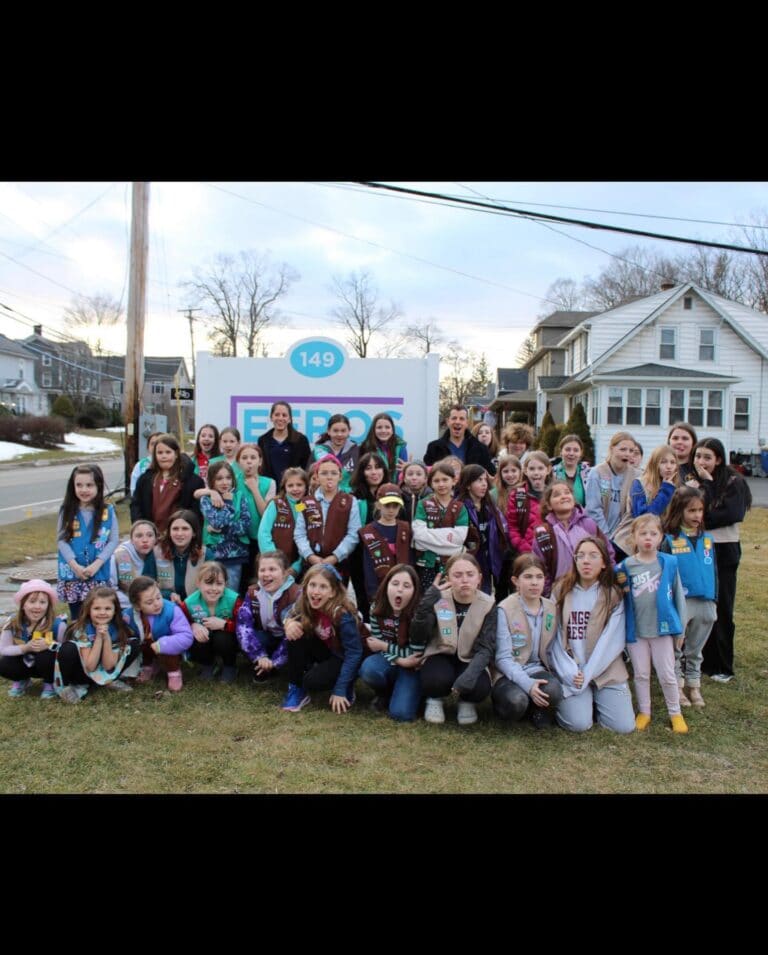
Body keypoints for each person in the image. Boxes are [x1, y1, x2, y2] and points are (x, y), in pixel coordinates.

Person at [549, 537, 635, 734]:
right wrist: (569, 671)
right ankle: (585, 703)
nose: (586, 561)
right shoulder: (561, 590)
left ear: (604, 563)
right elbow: (553, 637)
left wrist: (588, 674)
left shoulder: (613, 594)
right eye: (580, 556)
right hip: (572, 670)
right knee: (578, 724)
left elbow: (612, 642)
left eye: (593, 556)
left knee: (623, 727)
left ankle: (595, 699)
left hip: (605, 669)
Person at [615, 514, 688, 734]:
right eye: (643, 533)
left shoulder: (669, 563)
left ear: (661, 537)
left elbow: (678, 596)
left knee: (667, 674)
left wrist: (681, 628)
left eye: (653, 534)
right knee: (641, 673)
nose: (648, 538)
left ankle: (675, 713)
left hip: (661, 630)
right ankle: (644, 712)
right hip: (637, 631)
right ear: (633, 537)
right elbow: (620, 599)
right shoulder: (625, 567)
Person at [690, 437, 752, 683]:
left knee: (723, 607)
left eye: (707, 457)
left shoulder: (733, 481)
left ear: (718, 459)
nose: (702, 461)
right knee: (702, 604)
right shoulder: (693, 481)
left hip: (724, 549)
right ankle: (703, 660)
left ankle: (723, 665)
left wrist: (705, 489)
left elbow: (730, 513)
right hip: (700, 547)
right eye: (698, 456)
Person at [410, 554, 496, 726]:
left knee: (479, 685)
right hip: (440, 653)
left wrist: (470, 676)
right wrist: (425, 605)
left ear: (479, 578)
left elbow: (487, 646)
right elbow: (418, 635)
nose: (464, 580)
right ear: (448, 578)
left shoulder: (488, 604)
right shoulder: (438, 598)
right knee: (435, 679)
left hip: (470, 656)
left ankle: (466, 702)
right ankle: (434, 699)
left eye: (470, 574)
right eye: (457, 575)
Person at [280, 563, 365, 713]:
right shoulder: (305, 602)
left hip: (343, 657)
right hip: (325, 651)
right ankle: (296, 688)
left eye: (323, 587)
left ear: (333, 592)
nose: (316, 591)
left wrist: (340, 689)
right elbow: (286, 612)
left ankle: (347, 683)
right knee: (295, 631)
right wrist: (288, 623)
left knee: (312, 682)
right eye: (312, 585)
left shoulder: (343, 615)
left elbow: (354, 653)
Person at [491, 555, 564, 729]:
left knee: (553, 690)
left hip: (537, 669)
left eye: (539, 577)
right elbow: (502, 659)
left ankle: (537, 709)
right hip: (509, 673)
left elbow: (555, 648)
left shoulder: (551, 608)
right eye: (528, 577)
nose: (534, 583)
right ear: (515, 581)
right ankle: (508, 705)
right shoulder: (505, 609)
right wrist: (528, 684)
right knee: (516, 701)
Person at [662, 487, 717, 709]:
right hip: (682, 602)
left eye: (700, 510)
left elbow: (714, 570)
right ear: (679, 511)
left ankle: (694, 684)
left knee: (696, 647)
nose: (697, 515)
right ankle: (677, 685)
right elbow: (665, 576)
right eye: (691, 510)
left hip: (706, 601)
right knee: (676, 646)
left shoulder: (707, 539)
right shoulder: (670, 541)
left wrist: (715, 599)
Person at [359, 564, 424, 722]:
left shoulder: (420, 615)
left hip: (414, 668)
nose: (399, 590)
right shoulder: (376, 608)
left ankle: (417, 694)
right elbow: (375, 643)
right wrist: (400, 659)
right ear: (386, 585)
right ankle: (384, 693)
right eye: (395, 584)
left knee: (401, 714)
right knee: (369, 669)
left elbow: (416, 654)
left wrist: (384, 646)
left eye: (406, 586)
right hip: (392, 660)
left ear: (414, 591)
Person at [54, 587, 140, 703]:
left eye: (107, 608)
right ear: (89, 609)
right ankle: (73, 686)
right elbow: (90, 666)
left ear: (115, 610)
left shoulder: (119, 628)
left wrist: (106, 637)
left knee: (134, 643)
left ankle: (109, 680)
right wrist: (99, 638)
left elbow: (108, 666)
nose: (102, 612)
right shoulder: (81, 629)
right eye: (97, 608)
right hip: (83, 673)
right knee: (68, 648)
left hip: (106, 670)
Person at [57, 464, 119, 619]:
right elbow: (62, 540)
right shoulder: (67, 510)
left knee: (99, 615)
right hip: (73, 575)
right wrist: (75, 566)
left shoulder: (108, 511)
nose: (84, 490)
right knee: (78, 617)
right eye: (79, 485)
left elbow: (113, 540)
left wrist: (97, 564)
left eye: (89, 485)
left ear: (98, 486)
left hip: (98, 574)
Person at [531, 480, 613, 596]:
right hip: (560, 592)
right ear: (549, 505)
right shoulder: (544, 532)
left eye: (567, 492)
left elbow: (607, 553)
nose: (564, 496)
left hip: (592, 588)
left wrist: (606, 580)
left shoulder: (588, 524)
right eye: (557, 495)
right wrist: (548, 594)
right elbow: (539, 566)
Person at [293, 454, 361, 583]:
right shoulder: (303, 502)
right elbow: (299, 533)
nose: (329, 477)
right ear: (317, 477)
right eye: (324, 473)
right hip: (311, 564)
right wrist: (310, 556)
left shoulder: (351, 501)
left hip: (339, 564)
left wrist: (335, 557)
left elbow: (353, 534)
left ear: (340, 477)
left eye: (333, 473)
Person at [236, 550, 301, 684]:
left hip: (287, 639)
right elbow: (243, 626)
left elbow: (297, 631)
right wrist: (259, 656)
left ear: (285, 573)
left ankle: (285, 667)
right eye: (262, 570)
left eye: (272, 569)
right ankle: (262, 665)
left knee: (296, 638)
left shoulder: (297, 594)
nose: (266, 574)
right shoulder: (253, 592)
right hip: (267, 636)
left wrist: (275, 661)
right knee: (251, 636)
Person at [0, 579, 67, 699]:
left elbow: (67, 651)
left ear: (48, 605)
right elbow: (3, 649)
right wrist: (25, 648)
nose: (37, 606)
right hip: (24, 662)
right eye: (32, 601)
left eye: (42, 602)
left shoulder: (58, 625)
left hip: (46, 664)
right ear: (23, 604)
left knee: (46, 655)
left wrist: (50, 645)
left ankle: (49, 683)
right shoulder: (12, 623)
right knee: (5, 663)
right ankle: (21, 679)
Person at [126, 576, 194, 692]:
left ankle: (174, 672)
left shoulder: (172, 610)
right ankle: (148, 666)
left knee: (169, 650)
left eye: (158, 597)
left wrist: (163, 644)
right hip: (147, 646)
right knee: (139, 643)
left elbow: (186, 636)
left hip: (169, 647)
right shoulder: (129, 616)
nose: (157, 604)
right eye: (149, 602)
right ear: (137, 606)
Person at [131, 432, 205, 534]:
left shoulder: (192, 481)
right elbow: (136, 505)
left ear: (176, 454)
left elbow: (196, 513)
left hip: (179, 535)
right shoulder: (145, 479)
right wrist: (141, 528)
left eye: (168, 452)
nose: (164, 456)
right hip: (150, 535)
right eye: (160, 453)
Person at [612, 443, 679, 556]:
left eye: (672, 462)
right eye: (663, 462)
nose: (669, 466)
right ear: (654, 463)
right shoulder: (639, 483)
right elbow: (644, 517)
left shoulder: (676, 488)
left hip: (656, 548)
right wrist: (665, 491)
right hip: (627, 546)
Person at [183, 560, 243, 684]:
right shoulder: (189, 603)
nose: (214, 588)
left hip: (227, 639)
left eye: (219, 584)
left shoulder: (234, 600)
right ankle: (208, 664)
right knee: (197, 637)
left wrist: (225, 625)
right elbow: (180, 624)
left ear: (225, 584)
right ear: (198, 583)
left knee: (223, 638)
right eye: (208, 583)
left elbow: (244, 627)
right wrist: (192, 625)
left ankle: (230, 665)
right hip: (204, 640)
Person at [412, 461, 469, 591]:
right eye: (436, 481)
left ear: (453, 481)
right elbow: (419, 535)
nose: (441, 484)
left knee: (450, 598)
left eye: (445, 479)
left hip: (452, 563)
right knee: (428, 598)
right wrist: (449, 544)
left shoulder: (460, 507)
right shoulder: (423, 504)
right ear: (431, 483)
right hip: (426, 564)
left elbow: (459, 538)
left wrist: (429, 539)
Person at [584, 430, 638, 559]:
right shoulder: (597, 473)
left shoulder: (636, 476)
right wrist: (606, 537)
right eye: (623, 449)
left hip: (625, 542)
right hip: (600, 538)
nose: (627, 454)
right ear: (612, 448)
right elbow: (593, 509)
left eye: (631, 451)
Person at [199, 461, 250, 593]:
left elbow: (245, 525)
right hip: (213, 554)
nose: (225, 482)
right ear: (212, 480)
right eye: (219, 478)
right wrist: (227, 502)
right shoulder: (206, 499)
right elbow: (217, 522)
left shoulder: (239, 496)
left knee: (231, 593)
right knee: (213, 591)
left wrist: (222, 530)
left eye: (228, 478)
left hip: (235, 555)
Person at [357, 483, 412, 607]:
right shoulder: (368, 531)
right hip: (380, 588)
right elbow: (368, 566)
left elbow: (410, 559)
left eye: (395, 506)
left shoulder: (406, 528)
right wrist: (373, 593)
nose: (391, 510)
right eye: (387, 505)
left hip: (403, 587)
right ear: (378, 505)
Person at [456, 464, 508, 595]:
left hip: (488, 560)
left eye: (485, 480)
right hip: (469, 560)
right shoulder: (459, 507)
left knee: (484, 596)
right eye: (479, 480)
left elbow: (503, 530)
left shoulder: (490, 507)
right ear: (468, 485)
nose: (484, 484)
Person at [236, 443, 277, 592]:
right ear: (238, 462)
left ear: (260, 461)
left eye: (253, 458)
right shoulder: (233, 481)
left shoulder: (269, 483)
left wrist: (254, 488)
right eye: (244, 458)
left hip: (259, 539)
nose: (249, 461)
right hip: (239, 539)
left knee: (258, 578)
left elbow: (265, 513)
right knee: (241, 580)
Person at [257, 467, 308, 580]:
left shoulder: (309, 506)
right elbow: (263, 533)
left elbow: (309, 539)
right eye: (290, 485)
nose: (295, 489)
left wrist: (296, 567)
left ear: (306, 486)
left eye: (299, 485)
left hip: (298, 567)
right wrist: (274, 562)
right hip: (273, 565)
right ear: (284, 487)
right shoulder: (276, 504)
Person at [424, 405, 495, 474]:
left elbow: (491, 474)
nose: (457, 422)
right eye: (454, 418)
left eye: (461, 419)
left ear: (467, 423)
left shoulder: (481, 449)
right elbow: (429, 475)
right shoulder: (434, 448)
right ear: (448, 421)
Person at [506, 450, 551, 555]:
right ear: (525, 471)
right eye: (532, 469)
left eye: (540, 468)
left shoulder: (554, 494)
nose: (536, 473)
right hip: (526, 552)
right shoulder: (517, 495)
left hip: (551, 551)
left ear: (548, 470)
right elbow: (512, 527)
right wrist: (524, 549)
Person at [257, 400, 312, 487]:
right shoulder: (263, 440)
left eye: (284, 415)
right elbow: (260, 467)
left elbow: (307, 468)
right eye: (277, 415)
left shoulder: (301, 440)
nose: (280, 418)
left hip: (293, 489)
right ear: (271, 417)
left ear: (289, 419)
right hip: (269, 489)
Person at [491, 454, 523, 601]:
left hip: (520, 546)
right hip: (501, 548)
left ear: (520, 472)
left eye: (514, 471)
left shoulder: (525, 492)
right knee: (501, 586)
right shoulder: (493, 495)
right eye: (506, 471)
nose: (510, 475)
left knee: (518, 586)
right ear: (500, 473)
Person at [154, 509, 204, 603]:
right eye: (175, 529)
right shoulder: (156, 553)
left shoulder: (205, 554)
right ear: (169, 532)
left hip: (196, 605)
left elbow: (213, 586)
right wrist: (168, 595)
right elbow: (146, 584)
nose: (179, 533)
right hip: (165, 604)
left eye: (185, 529)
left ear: (194, 532)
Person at [112, 520, 159, 610]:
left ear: (156, 539)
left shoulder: (160, 554)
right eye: (139, 536)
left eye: (150, 535)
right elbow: (111, 589)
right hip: (125, 605)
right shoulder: (118, 555)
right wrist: (136, 604)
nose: (145, 540)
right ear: (131, 539)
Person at [311, 414, 359, 491]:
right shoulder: (318, 450)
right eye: (335, 431)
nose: (339, 434)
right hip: (323, 494)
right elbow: (310, 475)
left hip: (349, 495)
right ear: (328, 431)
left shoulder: (356, 451)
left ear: (349, 431)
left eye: (343, 431)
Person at [360, 412, 408, 482]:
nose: (383, 431)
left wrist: (408, 469)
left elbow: (402, 472)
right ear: (373, 430)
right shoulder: (366, 447)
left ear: (392, 430)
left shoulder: (401, 447)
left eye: (387, 427)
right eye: (379, 427)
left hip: (397, 487)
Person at [551, 433, 591, 506]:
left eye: (576, 450)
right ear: (561, 451)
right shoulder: (552, 473)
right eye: (567, 449)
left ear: (581, 453)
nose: (571, 453)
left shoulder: (589, 474)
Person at [399, 460, 431, 525]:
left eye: (419, 474)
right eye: (410, 474)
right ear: (404, 478)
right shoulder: (399, 495)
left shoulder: (431, 496)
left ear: (425, 478)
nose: (414, 478)